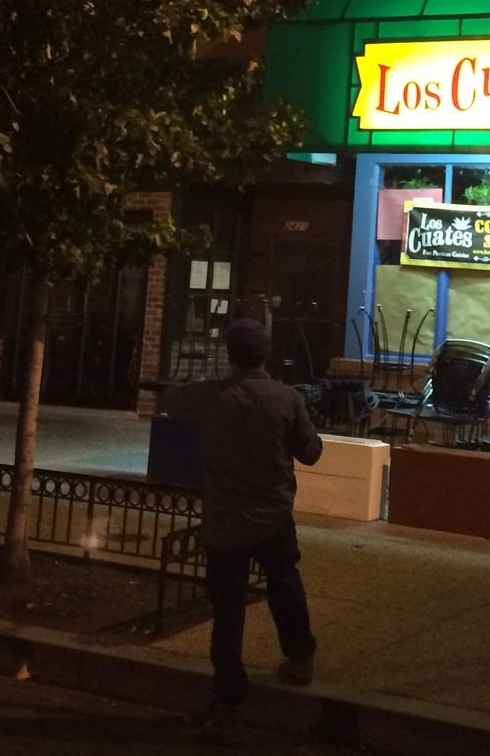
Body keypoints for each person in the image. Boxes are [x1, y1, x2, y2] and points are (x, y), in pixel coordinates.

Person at [160, 318, 322, 743]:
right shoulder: (287, 398)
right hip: (272, 514)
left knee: (227, 610)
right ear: (265, 354)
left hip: (226, 520)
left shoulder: (211, 397)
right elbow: (312, 452)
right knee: (285, 584)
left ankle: (231, 696)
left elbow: (172, 401)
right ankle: (300, 657)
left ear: (230, 355)